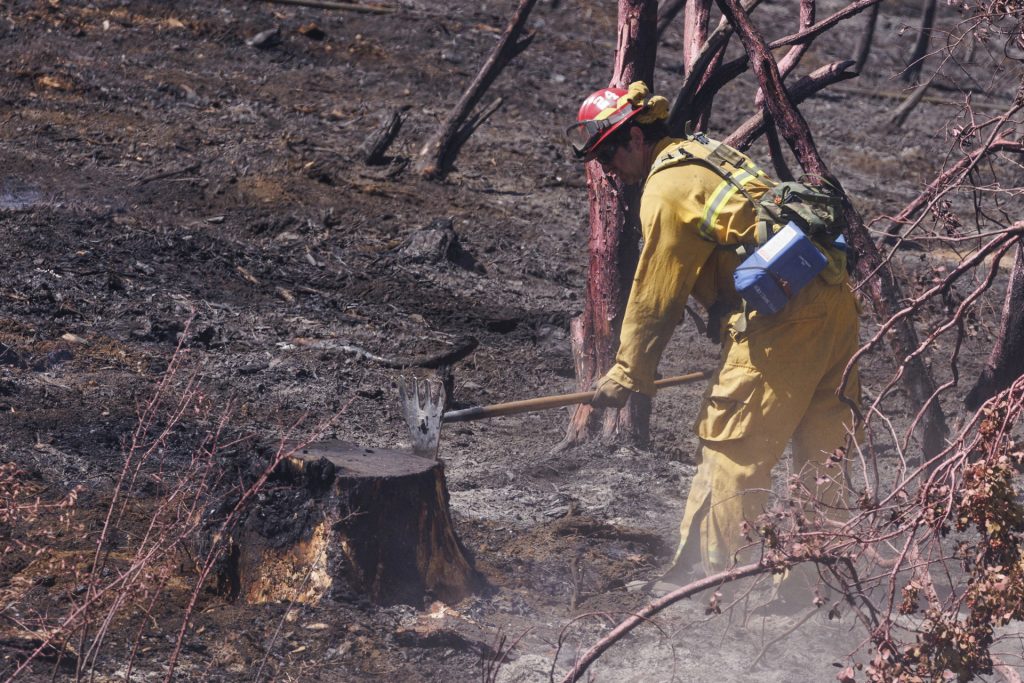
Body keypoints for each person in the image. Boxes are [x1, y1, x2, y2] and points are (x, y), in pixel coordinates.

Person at [565, 81, 861, 596]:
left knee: (731, 457)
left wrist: (628, 372)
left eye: (607, 152)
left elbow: (655, 298)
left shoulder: (665, 188)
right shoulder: (705, 152)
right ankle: (815, 589)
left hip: (782, 325)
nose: (606, 167)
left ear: (635, 137)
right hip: (833, 305)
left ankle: (723, 591)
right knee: (825, 454)